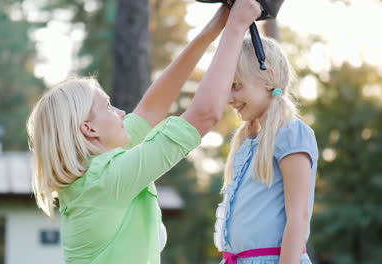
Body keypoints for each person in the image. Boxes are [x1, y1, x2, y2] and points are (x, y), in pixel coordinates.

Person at [26, 1, 262, 263]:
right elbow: (204, 114)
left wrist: (220, 21)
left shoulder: (98, 173)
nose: (121, 113)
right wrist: (236, 27)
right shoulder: (106, 179)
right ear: (89, 129)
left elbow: (151, 109)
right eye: (107, 106)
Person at [213, 36, 319, 264]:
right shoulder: (250, 141)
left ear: (268, 78)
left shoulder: (290, 133)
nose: (229, 98)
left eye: (236, 86)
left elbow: (298, 218)